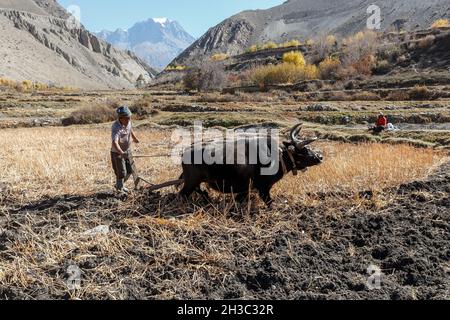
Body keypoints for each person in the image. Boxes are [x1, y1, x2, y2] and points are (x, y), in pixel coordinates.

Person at [111, 106, 140, 193]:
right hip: (117, 152)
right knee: (121, 173)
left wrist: (134, 138)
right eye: (126, 118)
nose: (129, 120)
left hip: (127, 150)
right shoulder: (116, 127)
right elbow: (115, 142)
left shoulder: (128, 122)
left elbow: (130, 129)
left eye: (129, 118)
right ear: (121, 118)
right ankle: (119, 190)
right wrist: (121, 153)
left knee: (130, 170)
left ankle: (119, 185)